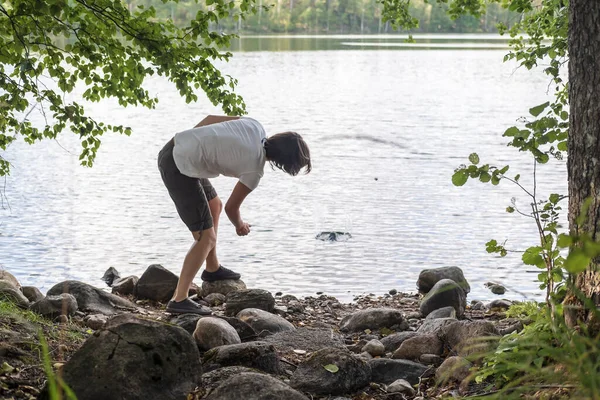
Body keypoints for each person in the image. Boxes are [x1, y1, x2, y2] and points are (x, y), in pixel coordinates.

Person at [157, 115, 311, 314]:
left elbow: (210, 119)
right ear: (284, 163)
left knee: (215, 205)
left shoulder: (255, 125)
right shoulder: (255, 170)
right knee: (206, 238)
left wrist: (194, 140)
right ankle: (179, 300)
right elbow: (233, 208)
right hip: (178, 166)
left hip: (176, 147)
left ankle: (212, 269)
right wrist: (240, 225)